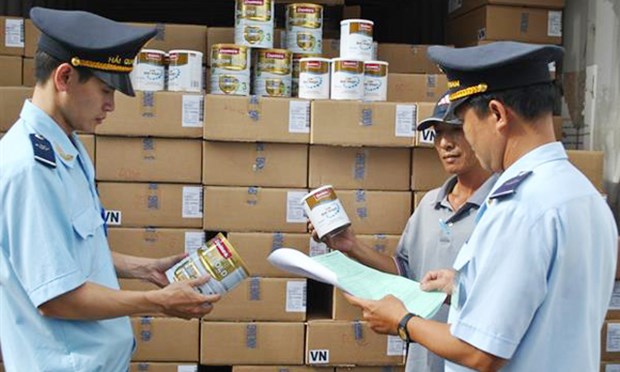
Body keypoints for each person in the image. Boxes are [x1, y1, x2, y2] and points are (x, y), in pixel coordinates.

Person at [344, 41, 618, 372]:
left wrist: (402, 321)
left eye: (463, 122)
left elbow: (481, 352)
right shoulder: (583, 195)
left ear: (498, 114)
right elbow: (551, 305)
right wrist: (464, 287)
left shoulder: (520, 207)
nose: (464, 139)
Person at [0, 8, 219, 371]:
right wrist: (156, 301)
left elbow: (63, 250)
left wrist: (142, 268)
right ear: (65, 77)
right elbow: (56, 298)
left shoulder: (65, 149)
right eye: (104, 90)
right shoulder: (29, 168)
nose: (111, 106)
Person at [310, 94, 497, 372]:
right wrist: (352, 246)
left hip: (476, 360)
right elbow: (406, 274)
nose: (446, 143)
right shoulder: (430, 204)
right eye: (439, 133)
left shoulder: (501, 207)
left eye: (456, 130)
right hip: (423, 359)